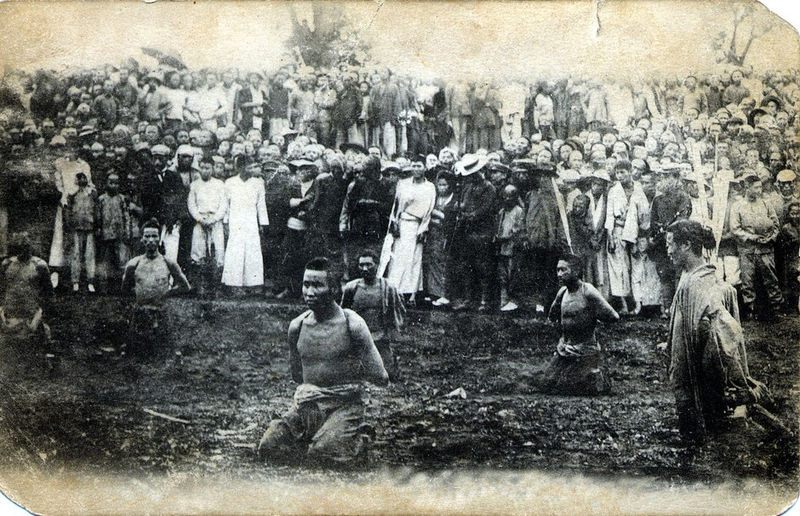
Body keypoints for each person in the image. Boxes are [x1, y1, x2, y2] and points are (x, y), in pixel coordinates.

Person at [258, 257, 388, 465]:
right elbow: (297, 375)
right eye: (306, 284)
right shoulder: (297, 326)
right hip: (308, 405)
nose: (309, 292)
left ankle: (359, 438)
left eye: (318, 285)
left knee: (323, 455)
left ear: (335, 289)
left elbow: (381, 376)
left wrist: (346, 376)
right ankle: (318, 436)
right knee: (269, 448)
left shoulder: (352, 325)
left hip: (344, 405)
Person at [664, 219, 768, 444]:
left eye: (671, 244)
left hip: (697, 365)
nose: (668, 250)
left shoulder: (699, 282)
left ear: (687, 245)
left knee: (700, 425)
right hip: (685, 361)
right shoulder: (690, 276)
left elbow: (720, 330)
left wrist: (699, 346)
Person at [528, 254, 619, 395]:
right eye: (557, 270)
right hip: (563, 350)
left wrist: (592, 317)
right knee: (544, 384)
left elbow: (613, 316)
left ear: (575, 271)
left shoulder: (588, 291)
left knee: (574, 387)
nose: (559, 274)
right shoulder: (563, 292)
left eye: (563, 270)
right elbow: (552, 316)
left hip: (585, 351)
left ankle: (597, 373)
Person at [121, 219, 191, 352]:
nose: (151, 240)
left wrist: (167, 293)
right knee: (136, 354)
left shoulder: (168, 263)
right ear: (142, 239)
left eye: (154, 236)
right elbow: (125, 289)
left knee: (164, 353)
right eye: (147, 236)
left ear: (159, 239)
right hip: (140, 315)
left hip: (161, 315)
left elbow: (185, 287)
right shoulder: (133, 264)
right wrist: (140, 293)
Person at [341, 250, 405, 381]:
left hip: (380, 340)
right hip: (358, 340)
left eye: (369, 265)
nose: (365, 269)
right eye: (361, 265)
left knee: (389, 376)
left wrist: (391, 334)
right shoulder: (351, 288)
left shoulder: (388, 288)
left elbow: (398, 314)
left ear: (377, 265)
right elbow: (343, 314)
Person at [380, 162, 436, 304]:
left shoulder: (429, 187)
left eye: (420, 166)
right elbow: (396, 206)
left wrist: (423, 229)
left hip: (417, 226)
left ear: (425, 168)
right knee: (398, 258)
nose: (417, 169)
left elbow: (429, 210)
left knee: (414, 258)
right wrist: (394, 223)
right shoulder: (403, 184)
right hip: (402, 224)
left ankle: (412, 294)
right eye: (414, 166)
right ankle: (395, 291)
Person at [730, 174, 783, 320]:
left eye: (760, 187)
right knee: (747, 281)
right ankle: (750, 309)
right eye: (756, 187)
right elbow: (735, 229)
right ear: (747, 188)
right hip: (747, 250)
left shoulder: (766, 204)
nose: (760, 190)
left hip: (766, 249)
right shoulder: (738, 206)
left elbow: (775, 224)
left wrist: (771, 238)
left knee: (771, 279)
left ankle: (775, 307)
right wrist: (752, 237)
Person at [221, 156, 270, 293]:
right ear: (239, 168)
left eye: (251, 166)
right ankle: (234, 284)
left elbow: (261, 205)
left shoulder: (258, 183)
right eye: (247, 167)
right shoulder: (230, 183)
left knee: (253, 251)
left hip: (251, 222)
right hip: (235, 221)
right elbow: (226, 205)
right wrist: (225, 222)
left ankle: (254, 284)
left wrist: (262, 223)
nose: (250, 170)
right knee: (235, 251)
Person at [1, 232, 53, 356]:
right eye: (19, 247)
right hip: (8, 319)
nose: (22, 251)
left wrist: (39, 318)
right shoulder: (7, 265)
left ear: (30, 247)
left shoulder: (39, 265)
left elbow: (49, 295)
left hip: (31, 321)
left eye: (25, 247)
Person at [187, 157, 227, 294]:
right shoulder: (195, 185)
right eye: (202, 168)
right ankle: (200, 286)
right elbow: (191, 204)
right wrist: (199, 219)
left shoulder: (220, 184)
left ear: (212, 168)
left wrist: (214, 219)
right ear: (199, 168)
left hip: (215, 222)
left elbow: (223, 205)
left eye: (208, 168)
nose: (205, 171)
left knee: (218, 252)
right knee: (198, 252)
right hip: (200, 221)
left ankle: (216, 286)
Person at [95, 173, 131, 292]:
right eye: (111, 183)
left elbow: (126, 215)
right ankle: (103, 285)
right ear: (106, 183)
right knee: (105, 259)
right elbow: (98, 215)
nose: (114, 186)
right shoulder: (101, 199)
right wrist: (99, 228)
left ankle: (118, 285)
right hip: (105, 234)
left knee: (119, 259)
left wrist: (127, 231)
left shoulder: (121, 198)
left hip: (118, 234)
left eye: (116, 183)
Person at [66, 172, 97, 293]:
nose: (82, 180)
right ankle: (75, 282)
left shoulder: (92, 193)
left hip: (89, 228)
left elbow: (96, 210)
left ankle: (90, 281)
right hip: (77, 228)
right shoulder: (72, 194)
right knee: (76, 255)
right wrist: (70, 224)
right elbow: (68, 210)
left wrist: (95, 224)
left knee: (89, 255)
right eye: (80, 178)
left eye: (84, 177)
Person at [495, 184, 525, 312]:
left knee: (512, 274)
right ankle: (504, 299)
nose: (507, 199)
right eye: (505, 196)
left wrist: (504, 237)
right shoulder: (502, 212)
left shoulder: (519, 211)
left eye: (510, 196)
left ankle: (513, 300)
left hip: (512, 248)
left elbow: (517, 231)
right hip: (502, 248)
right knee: (502, 275)